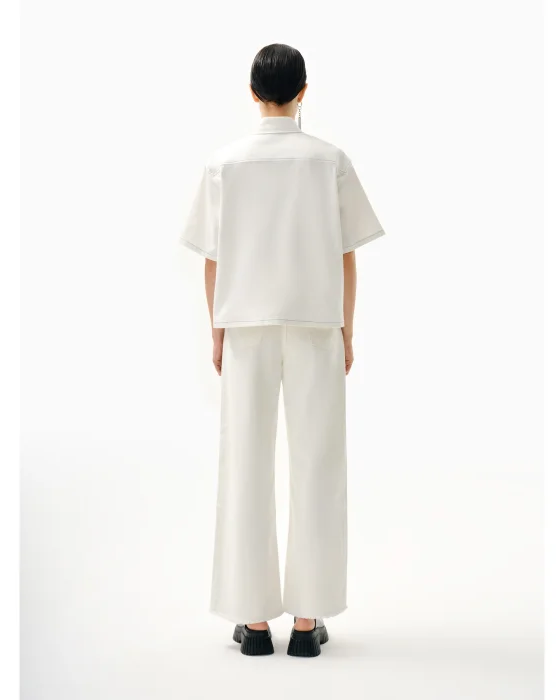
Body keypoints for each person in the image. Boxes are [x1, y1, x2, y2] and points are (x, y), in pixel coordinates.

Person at [180, 43, 384, 657]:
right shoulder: (329, 160)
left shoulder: (225, 163)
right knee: (317, 464)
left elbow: (212, 259)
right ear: (303, 92)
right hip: (316, 323)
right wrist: (347, 329)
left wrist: (216, 330)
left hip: (245, 325)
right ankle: (306, 623)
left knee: (244, 464)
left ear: (252, 92)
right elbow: (347, 254)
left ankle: (253, 624)